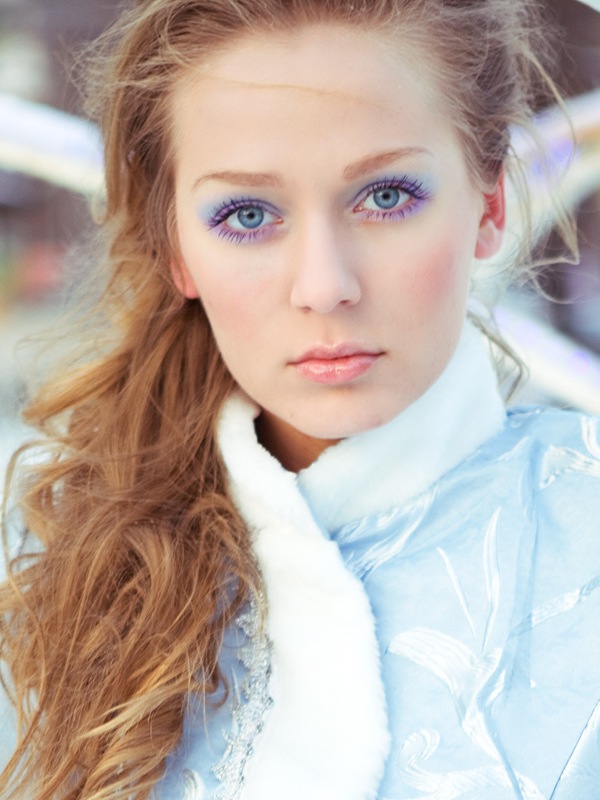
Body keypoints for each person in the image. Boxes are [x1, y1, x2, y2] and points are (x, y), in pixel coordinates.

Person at [1, 0, 599, 798]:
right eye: (247, 215)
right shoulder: (48, 564)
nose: (323, 286)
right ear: (177, 248)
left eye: (386, 197)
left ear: (488, 206)